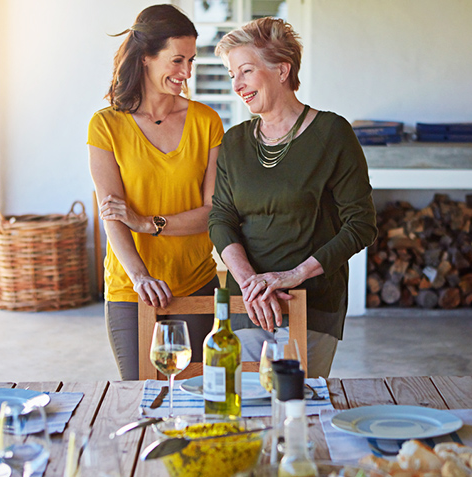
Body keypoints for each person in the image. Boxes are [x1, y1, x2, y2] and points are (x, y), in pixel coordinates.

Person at [208, 17, 377, 378]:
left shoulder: (332, 133)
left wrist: (293, 275)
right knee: (249, 412)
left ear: (282, 70)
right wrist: (252, 283)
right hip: (249, 305)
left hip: (311, 302)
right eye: (231, 73)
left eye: (246, 71)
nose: (236, 84)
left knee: (300, 411)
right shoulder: (235, 142)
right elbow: (221, 219)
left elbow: (361, 225)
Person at [87, 4, 224, 380]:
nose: (187, 73)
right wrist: (140, 277)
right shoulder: (106, 126)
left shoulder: (206, 122)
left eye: (191, 60)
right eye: (177, 60)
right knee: (139, 397)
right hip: (132, 288)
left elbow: (212, 211)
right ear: (146, 57)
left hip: (194, 281)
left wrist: (148, 223)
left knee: (192, 399)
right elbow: (112, 215)